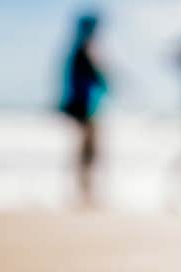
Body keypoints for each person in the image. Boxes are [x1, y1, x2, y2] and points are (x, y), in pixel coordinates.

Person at [60, 13, 109, 209]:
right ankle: (85, 195)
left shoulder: (79, 50)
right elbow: (100, 76)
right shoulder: (83, 50)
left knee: (87, 152)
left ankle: (86, 194)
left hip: (87, 108)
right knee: (88, 152)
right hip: (86, 109)